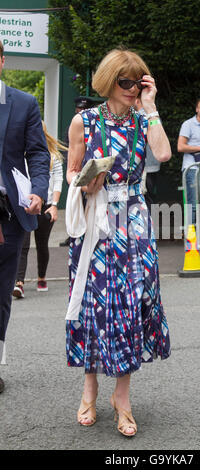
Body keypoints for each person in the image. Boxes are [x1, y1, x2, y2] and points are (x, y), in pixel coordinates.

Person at [66, 47, 171, 436]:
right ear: (109, 82)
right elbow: (72, 170)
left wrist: (151, 104)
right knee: (96, 303)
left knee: (135, 300)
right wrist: (84, 182)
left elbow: (162, 152)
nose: (131, 88)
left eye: (137, 81)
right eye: (124, 81)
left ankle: (121, 397)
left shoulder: (145, 120)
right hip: (96, 218)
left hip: (134, 218)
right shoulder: (84, 121)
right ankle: (90, 387)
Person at [0, 40, 50, 392]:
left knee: (1, 295)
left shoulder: (23, 103)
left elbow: (38, 154)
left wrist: (40, 191)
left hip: (7, 216)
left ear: (1, 60)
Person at [12, 121, 66, 298]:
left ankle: (42, 277)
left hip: (46, 204)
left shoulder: (53, 156)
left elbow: (58, 181)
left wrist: (55, 205)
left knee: (42, 244)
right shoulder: (20, 153)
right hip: (25, 205)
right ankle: (19, 282)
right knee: (24, 244)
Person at [59, 96, 95, 247]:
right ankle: (73, 233)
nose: (81, 111)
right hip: (75, 172)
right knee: (75, 203)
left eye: (84, 109)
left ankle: (85, 232)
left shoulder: (93, 125)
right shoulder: (75, 124)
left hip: (89, 173)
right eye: (79, 109)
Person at [134, 97, 161, 209]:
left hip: (144, 166)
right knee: (148, 196)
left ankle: (148, 224)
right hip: (153, 164)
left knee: (144, 198)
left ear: (137, 101)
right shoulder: (153, 116)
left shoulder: (139, 117)